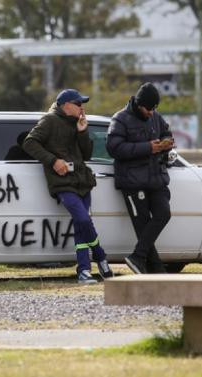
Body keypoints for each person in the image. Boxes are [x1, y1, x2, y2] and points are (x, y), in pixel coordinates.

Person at [23, 89, 113, 284]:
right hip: (63, 182)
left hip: (83, 181)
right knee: (83, 219)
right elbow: (29, 143)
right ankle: (101, 256)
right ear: (66, 105)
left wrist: (82, 132)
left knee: (81, 226)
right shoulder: (49, 121)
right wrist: (54, 161)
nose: (82, 107)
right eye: (78, 103)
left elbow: (87, 155)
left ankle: (84, 272)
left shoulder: (77, 122)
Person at [106, 82, 173, 274]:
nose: (151, 112)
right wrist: (148, 147)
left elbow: (166, 131)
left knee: (163, 214)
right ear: (138, 103)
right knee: (142, 225)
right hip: (133, 182)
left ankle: (138, 257)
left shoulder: (156, 117)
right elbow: (114, 148)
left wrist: (166, 143)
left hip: (156, 178)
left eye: (154, 108)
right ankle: (156, 269)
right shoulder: (120, 119)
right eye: (148, 108)